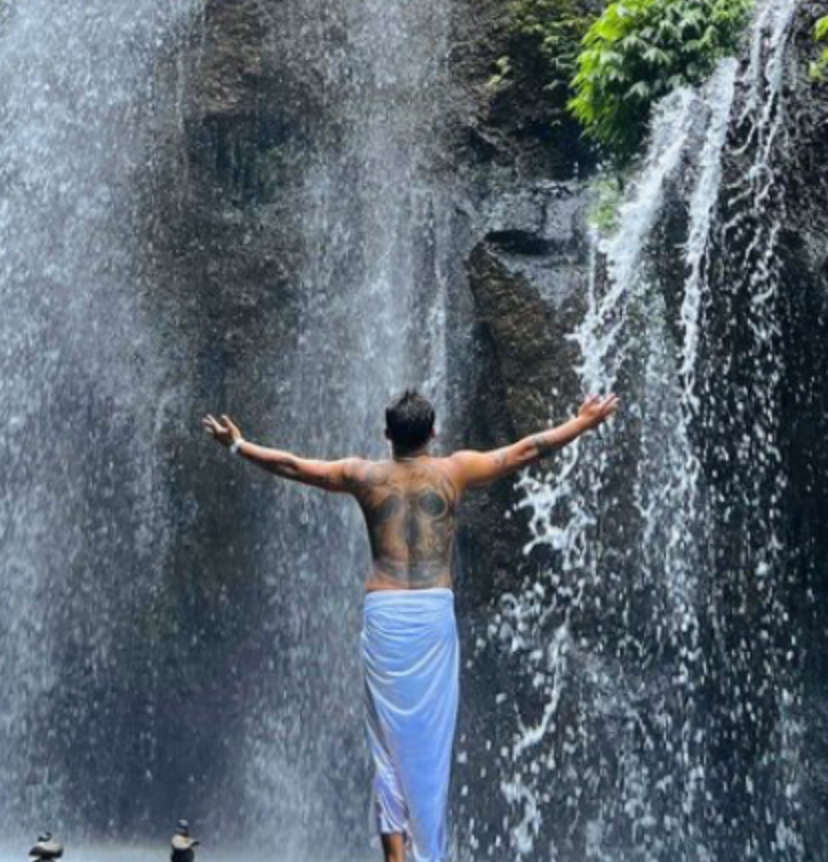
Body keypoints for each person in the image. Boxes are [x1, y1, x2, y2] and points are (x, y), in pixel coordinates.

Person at [202, 389, 619, 862]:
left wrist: (239, 445)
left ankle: (395, 857)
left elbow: (295, 467)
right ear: (433, 433)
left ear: (387, 436)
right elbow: (525, 450)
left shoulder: (362, 475)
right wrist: (582, 422)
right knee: (431, 745)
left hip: (384, 616)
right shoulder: (454, 471)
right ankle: (427, 854)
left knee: (386, 746)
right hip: (432, 615)